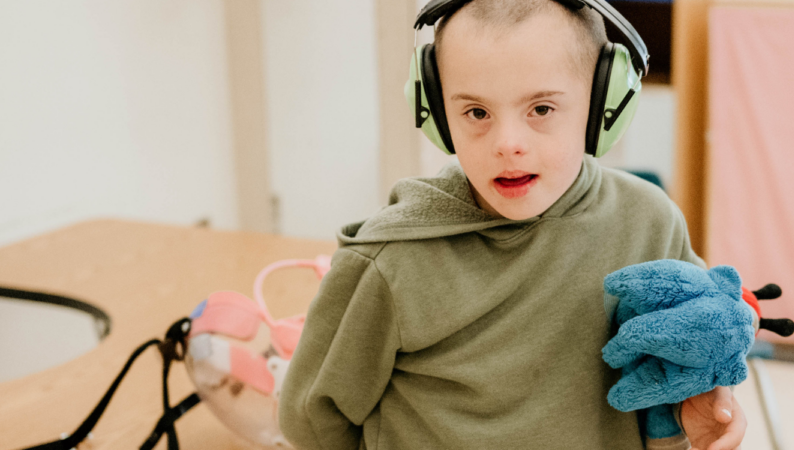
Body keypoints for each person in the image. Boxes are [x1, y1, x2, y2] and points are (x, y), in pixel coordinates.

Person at [279, 1, 747, 448]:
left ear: (604, 104)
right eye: (476, 113)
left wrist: (709, 397)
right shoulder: (390, 260)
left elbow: (693, 347)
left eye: (541, 109)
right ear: (438, 114)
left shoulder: (651, 222)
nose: (507, 143)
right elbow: (313, 420)